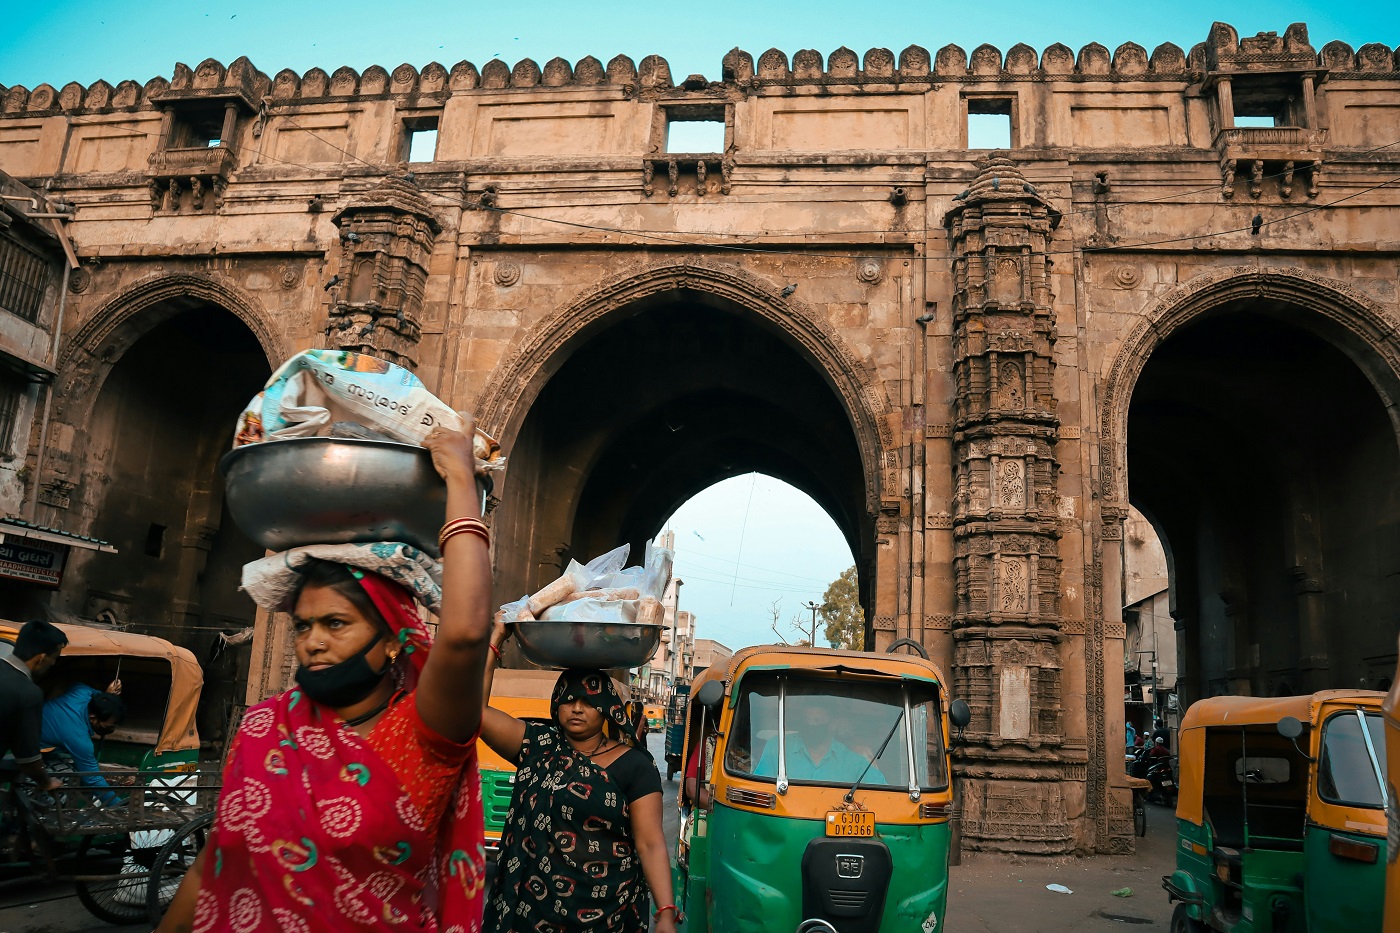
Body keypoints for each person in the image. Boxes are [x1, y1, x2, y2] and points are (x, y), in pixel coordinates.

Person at [157, 424, 493, 933]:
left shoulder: (421, 734)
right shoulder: (265, 728)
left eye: (336, 624)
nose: (312, 642)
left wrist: (461, 478)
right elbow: (214, 862)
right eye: (303, 626)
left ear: (392, 639)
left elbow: (466, 632)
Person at [481, 620, 676, 933]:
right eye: (569, 699)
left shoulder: (635, 766)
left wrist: (665, 912)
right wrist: (496, 640)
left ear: (606, 709)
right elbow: (473, 711)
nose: (577, 709)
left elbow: (651, 843)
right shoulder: (537, 746)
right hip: (532, 914)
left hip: (608, 914)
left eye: (589, 701)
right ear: (556, 705)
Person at [0, 620, 66, 792]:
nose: (52, 665)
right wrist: (46, 783)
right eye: (54, 659)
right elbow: (28, 759)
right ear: (41, 658)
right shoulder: (28, 693)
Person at [753, 699, 886, 784]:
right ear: (801, 721)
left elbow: (884, 795)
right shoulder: (777, 748)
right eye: (808, 721)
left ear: (832, 723)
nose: (812, 727)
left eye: (818, 721)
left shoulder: (854, 760)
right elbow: (759, 789)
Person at [40, 685, 125, 806]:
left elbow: (77, 685)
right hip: (28, 751)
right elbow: (93, 778)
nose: (112, 729)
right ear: (92, 718)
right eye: (109, 726)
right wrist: (119, 807)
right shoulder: (78, 738)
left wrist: (106, 697)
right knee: (70, 779)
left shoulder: (82, 693)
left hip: (42, 735)